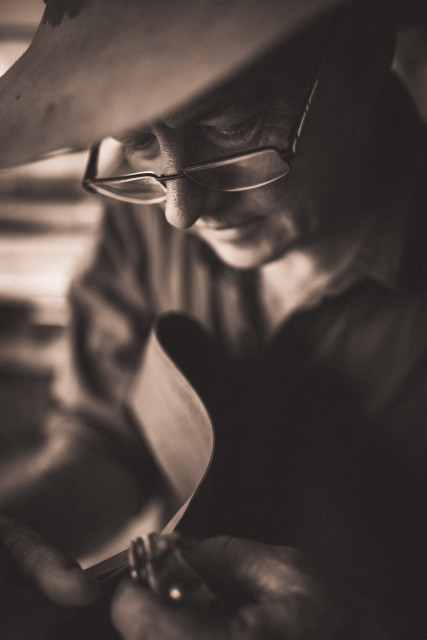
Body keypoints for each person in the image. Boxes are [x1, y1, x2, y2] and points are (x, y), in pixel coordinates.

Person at [0, 0, 427, 638]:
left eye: (231, 127)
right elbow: (108, 441)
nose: (180, 213)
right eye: (137, 139)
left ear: (363, 54)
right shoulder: (142, 210)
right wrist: (17, 534)